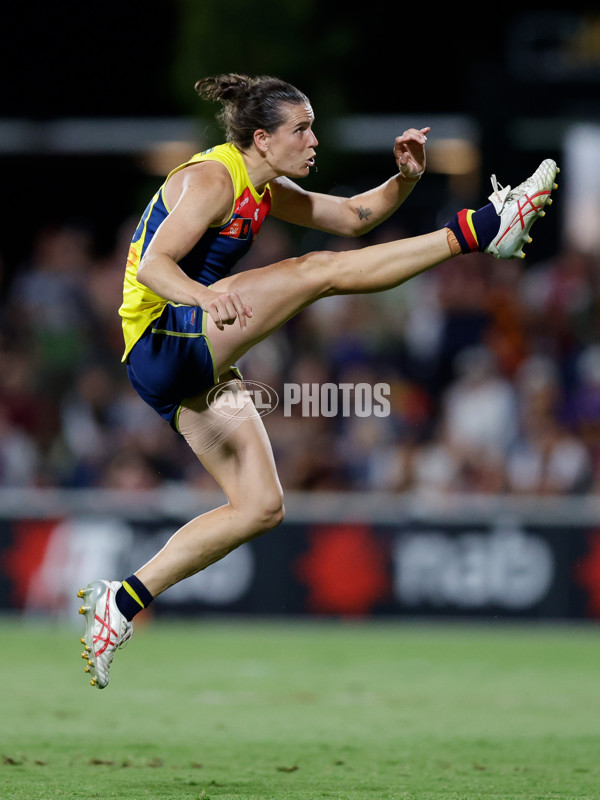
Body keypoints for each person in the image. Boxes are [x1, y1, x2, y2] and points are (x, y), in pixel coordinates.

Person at [77, 73, 559, 688]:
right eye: (300, 129)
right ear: (262, 138)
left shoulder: (263, 185)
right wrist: (202, 298)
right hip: (165, 339)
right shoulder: (210, 179)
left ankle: (120, 604)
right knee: (315, 272)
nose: (313, 140)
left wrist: (405, 179)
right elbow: (153, 266)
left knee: (260, 507)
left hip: (188, 362)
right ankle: (483, 227)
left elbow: (355, 216)